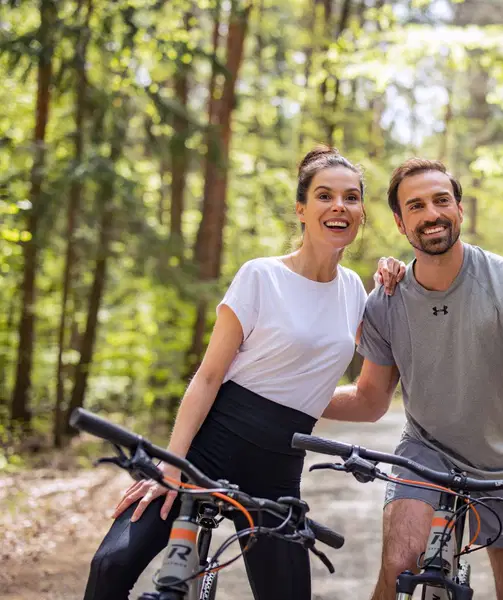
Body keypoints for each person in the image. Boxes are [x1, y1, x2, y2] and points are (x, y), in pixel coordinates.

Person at [82, 146, 405, 600]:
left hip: (277, 473)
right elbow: (210, 377)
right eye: (324, 195)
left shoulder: (356, 291)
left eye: (351, 198)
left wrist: (394, 279)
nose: (339, 206)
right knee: (111, 564)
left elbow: (365, 401)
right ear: (301, 209)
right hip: (205, 454)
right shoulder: (260, 276)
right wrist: (172, 465)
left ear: (361, 213)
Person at [322, 158, 503, 600]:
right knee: (399, 565)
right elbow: (370, 399)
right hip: (426, 455)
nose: (431, 214)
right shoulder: (386, 300)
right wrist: (287, 397)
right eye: (415, 206)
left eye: (441, 200)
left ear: (460, 209)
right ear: (401, 224)